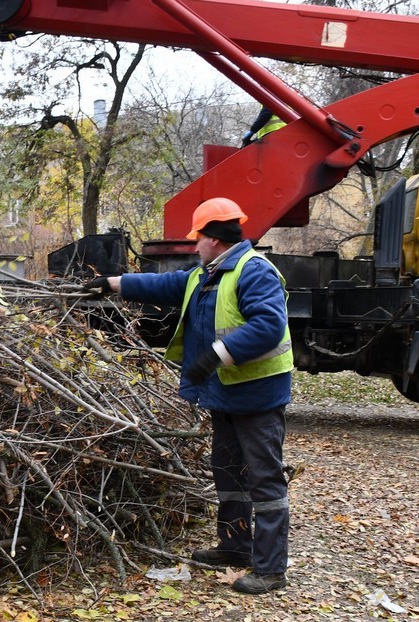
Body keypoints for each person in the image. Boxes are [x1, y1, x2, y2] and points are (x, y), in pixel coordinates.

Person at [83, 198, 294, 594]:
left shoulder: (253, 272)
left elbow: (268, 326)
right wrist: (113, 284)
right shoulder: (208, 273)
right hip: (227, 394)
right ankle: (236, 546)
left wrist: (215, 356)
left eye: (198, 238)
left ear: (213, 238)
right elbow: (166, 285)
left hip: (258, 395)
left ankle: (270, 568)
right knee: (228, 472)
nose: (194, 245)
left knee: (264, 479)